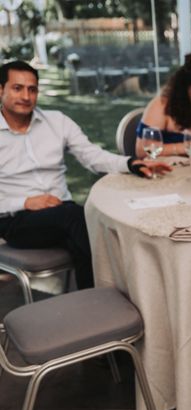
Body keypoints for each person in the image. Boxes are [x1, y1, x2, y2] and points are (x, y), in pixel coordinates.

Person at [0, 60, 170, 289]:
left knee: (81, 234)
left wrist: (131, 164)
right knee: (81, 220)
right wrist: (27, 201)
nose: (26, 96)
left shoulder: (57, 122)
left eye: (32, 89)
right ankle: (115, 293)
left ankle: (91, 299)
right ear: (1, 90)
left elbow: (92, 156)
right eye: (17, 88)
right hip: (14, 219)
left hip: (61, 212)